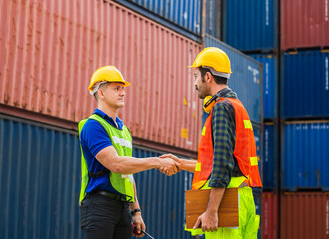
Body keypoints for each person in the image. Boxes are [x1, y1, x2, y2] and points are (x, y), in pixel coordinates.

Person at [160, 47, 262, 238]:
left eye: (195, 76)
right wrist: (181, 164)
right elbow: (223, 164)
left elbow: (223, 163)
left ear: (208, 77)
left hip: (227, 203)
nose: (195, 83)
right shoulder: (237, 106)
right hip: (243, 199)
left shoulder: (222, 108)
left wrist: (212, 211)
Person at [78, 65, 179, 239]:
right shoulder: (93, 126)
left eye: (123, 88)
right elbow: (117, 164)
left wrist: (136, 211)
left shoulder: (124, 130)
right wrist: (157, 162)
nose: (123, 93)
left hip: (122, 208)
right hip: (99, 206)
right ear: (100, 93)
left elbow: (128, 174)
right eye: (117, 88)